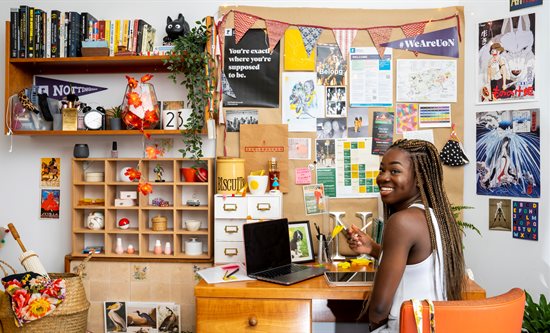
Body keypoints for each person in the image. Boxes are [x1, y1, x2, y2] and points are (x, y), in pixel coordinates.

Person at [346, 139, 465, 332]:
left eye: (395, 171)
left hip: (406, 327)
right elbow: (416, 266)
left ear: (420, 178)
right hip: (432, 326)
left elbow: (378, 308)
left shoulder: (402, 222)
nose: (383, 177)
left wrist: (374, 326)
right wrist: (374, 249)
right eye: (382, 170)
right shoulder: (436, 217)